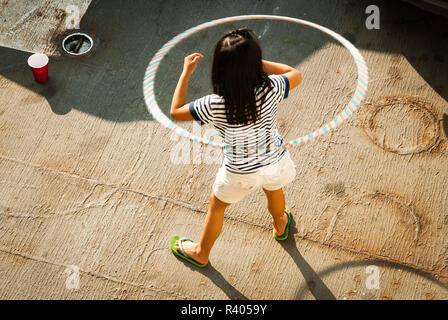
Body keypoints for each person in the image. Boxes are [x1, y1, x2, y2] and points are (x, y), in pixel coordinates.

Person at [169, 28, 302, 267]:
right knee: (274, 190)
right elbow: (295, 74)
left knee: (216, 206)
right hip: (275, 160)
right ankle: (280, 224)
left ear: (219, 68)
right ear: (254, 64)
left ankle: (201, 252)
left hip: (240, 171)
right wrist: (254, 63)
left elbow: (176, 111)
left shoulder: (214, 104)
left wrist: (185, 73)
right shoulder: (271, 87)